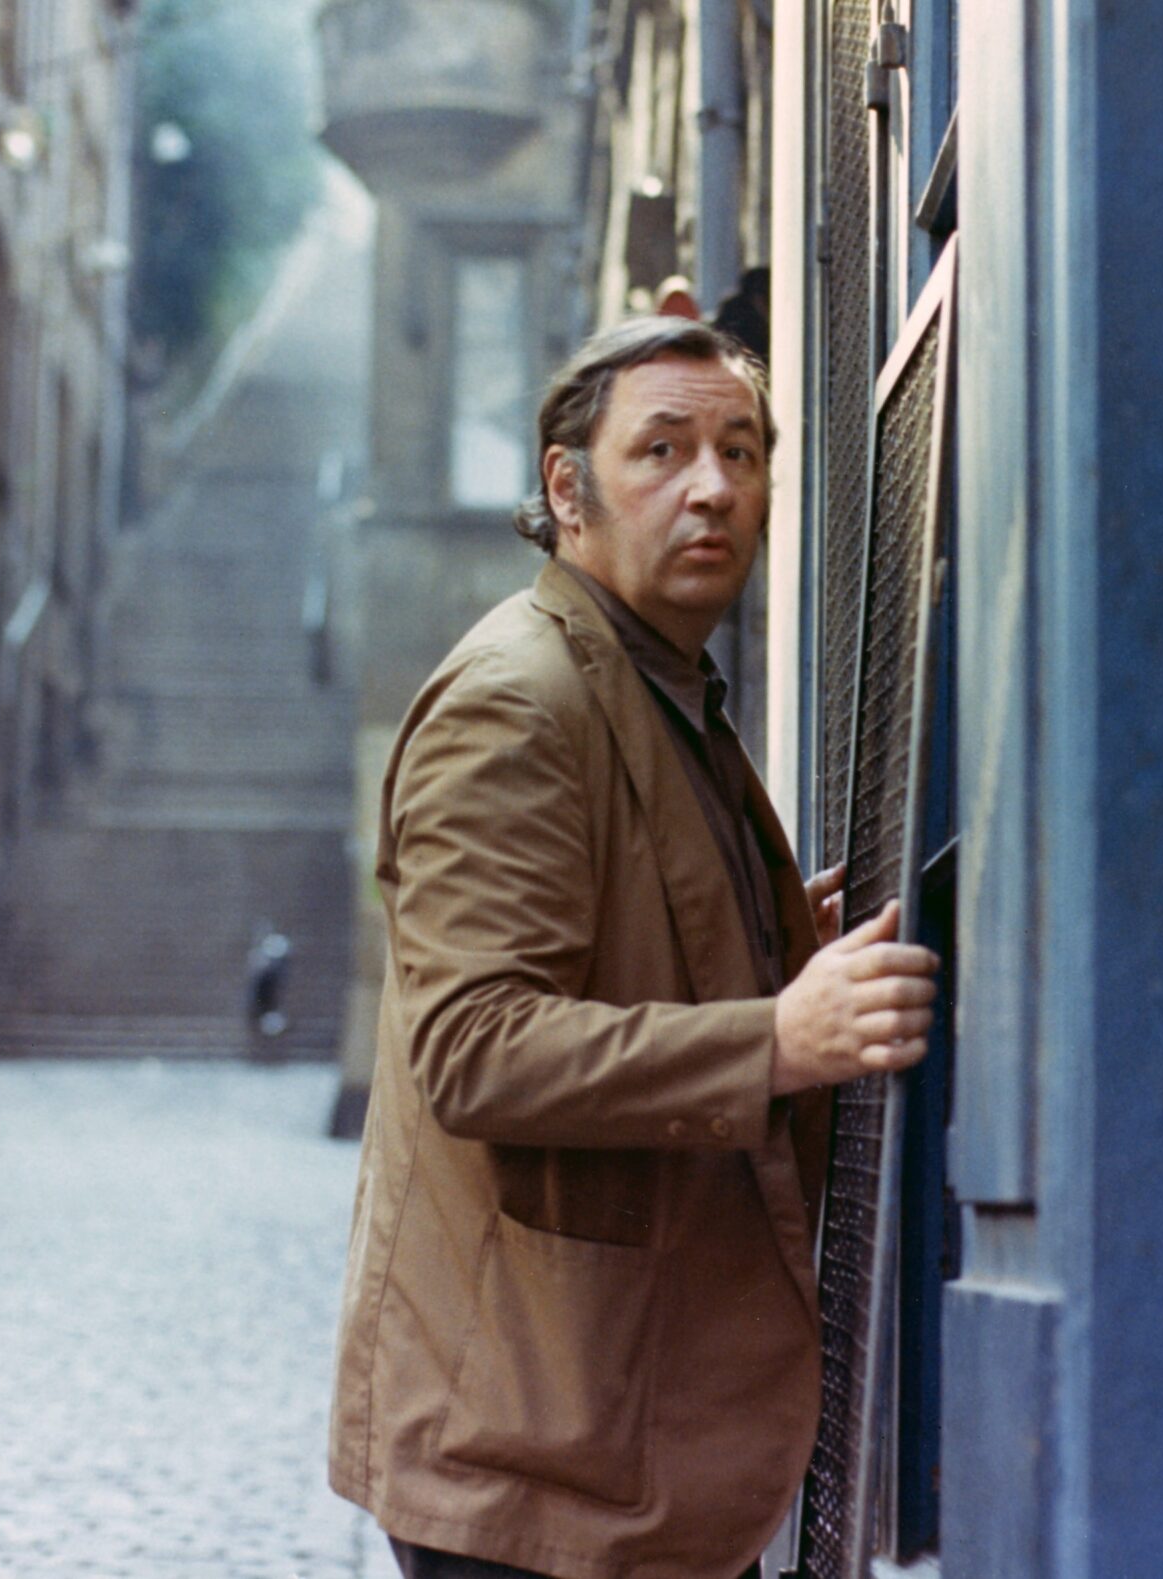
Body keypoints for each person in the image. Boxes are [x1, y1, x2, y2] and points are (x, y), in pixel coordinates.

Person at [328, 316, 939, 1579]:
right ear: (569, 489)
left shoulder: (652, 679)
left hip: (609, 1431)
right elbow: (475, 1048)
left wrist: (771, 945)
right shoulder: (517, 701)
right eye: (662, 450)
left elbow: (615, 933)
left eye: (739, 450)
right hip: (531, 1457)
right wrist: (778, 1037)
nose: (711, 486)